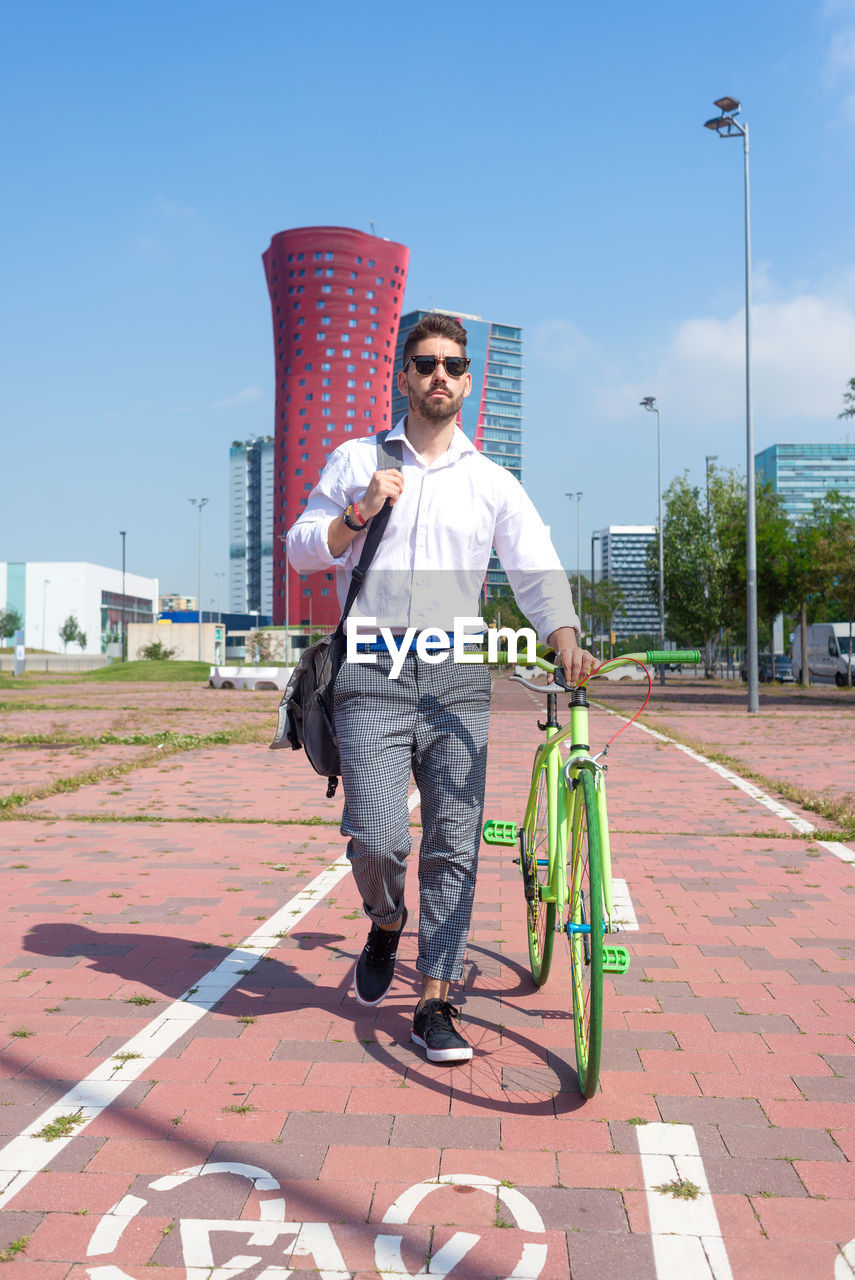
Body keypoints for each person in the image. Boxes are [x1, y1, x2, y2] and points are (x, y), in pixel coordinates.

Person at [287, 313, 595, 1063]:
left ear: (467, 381)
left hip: (455, 672)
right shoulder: (358, 457)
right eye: (424, 364)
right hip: (370, 669)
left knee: (454, 843)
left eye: (453, 365)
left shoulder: (490, 481)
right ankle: (386, 921)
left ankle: (434, 999)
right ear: (402, 376)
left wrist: (563, 636)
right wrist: (357, 512)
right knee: (378, 836)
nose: (439, 377)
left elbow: (533, 567)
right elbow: (300, 551)